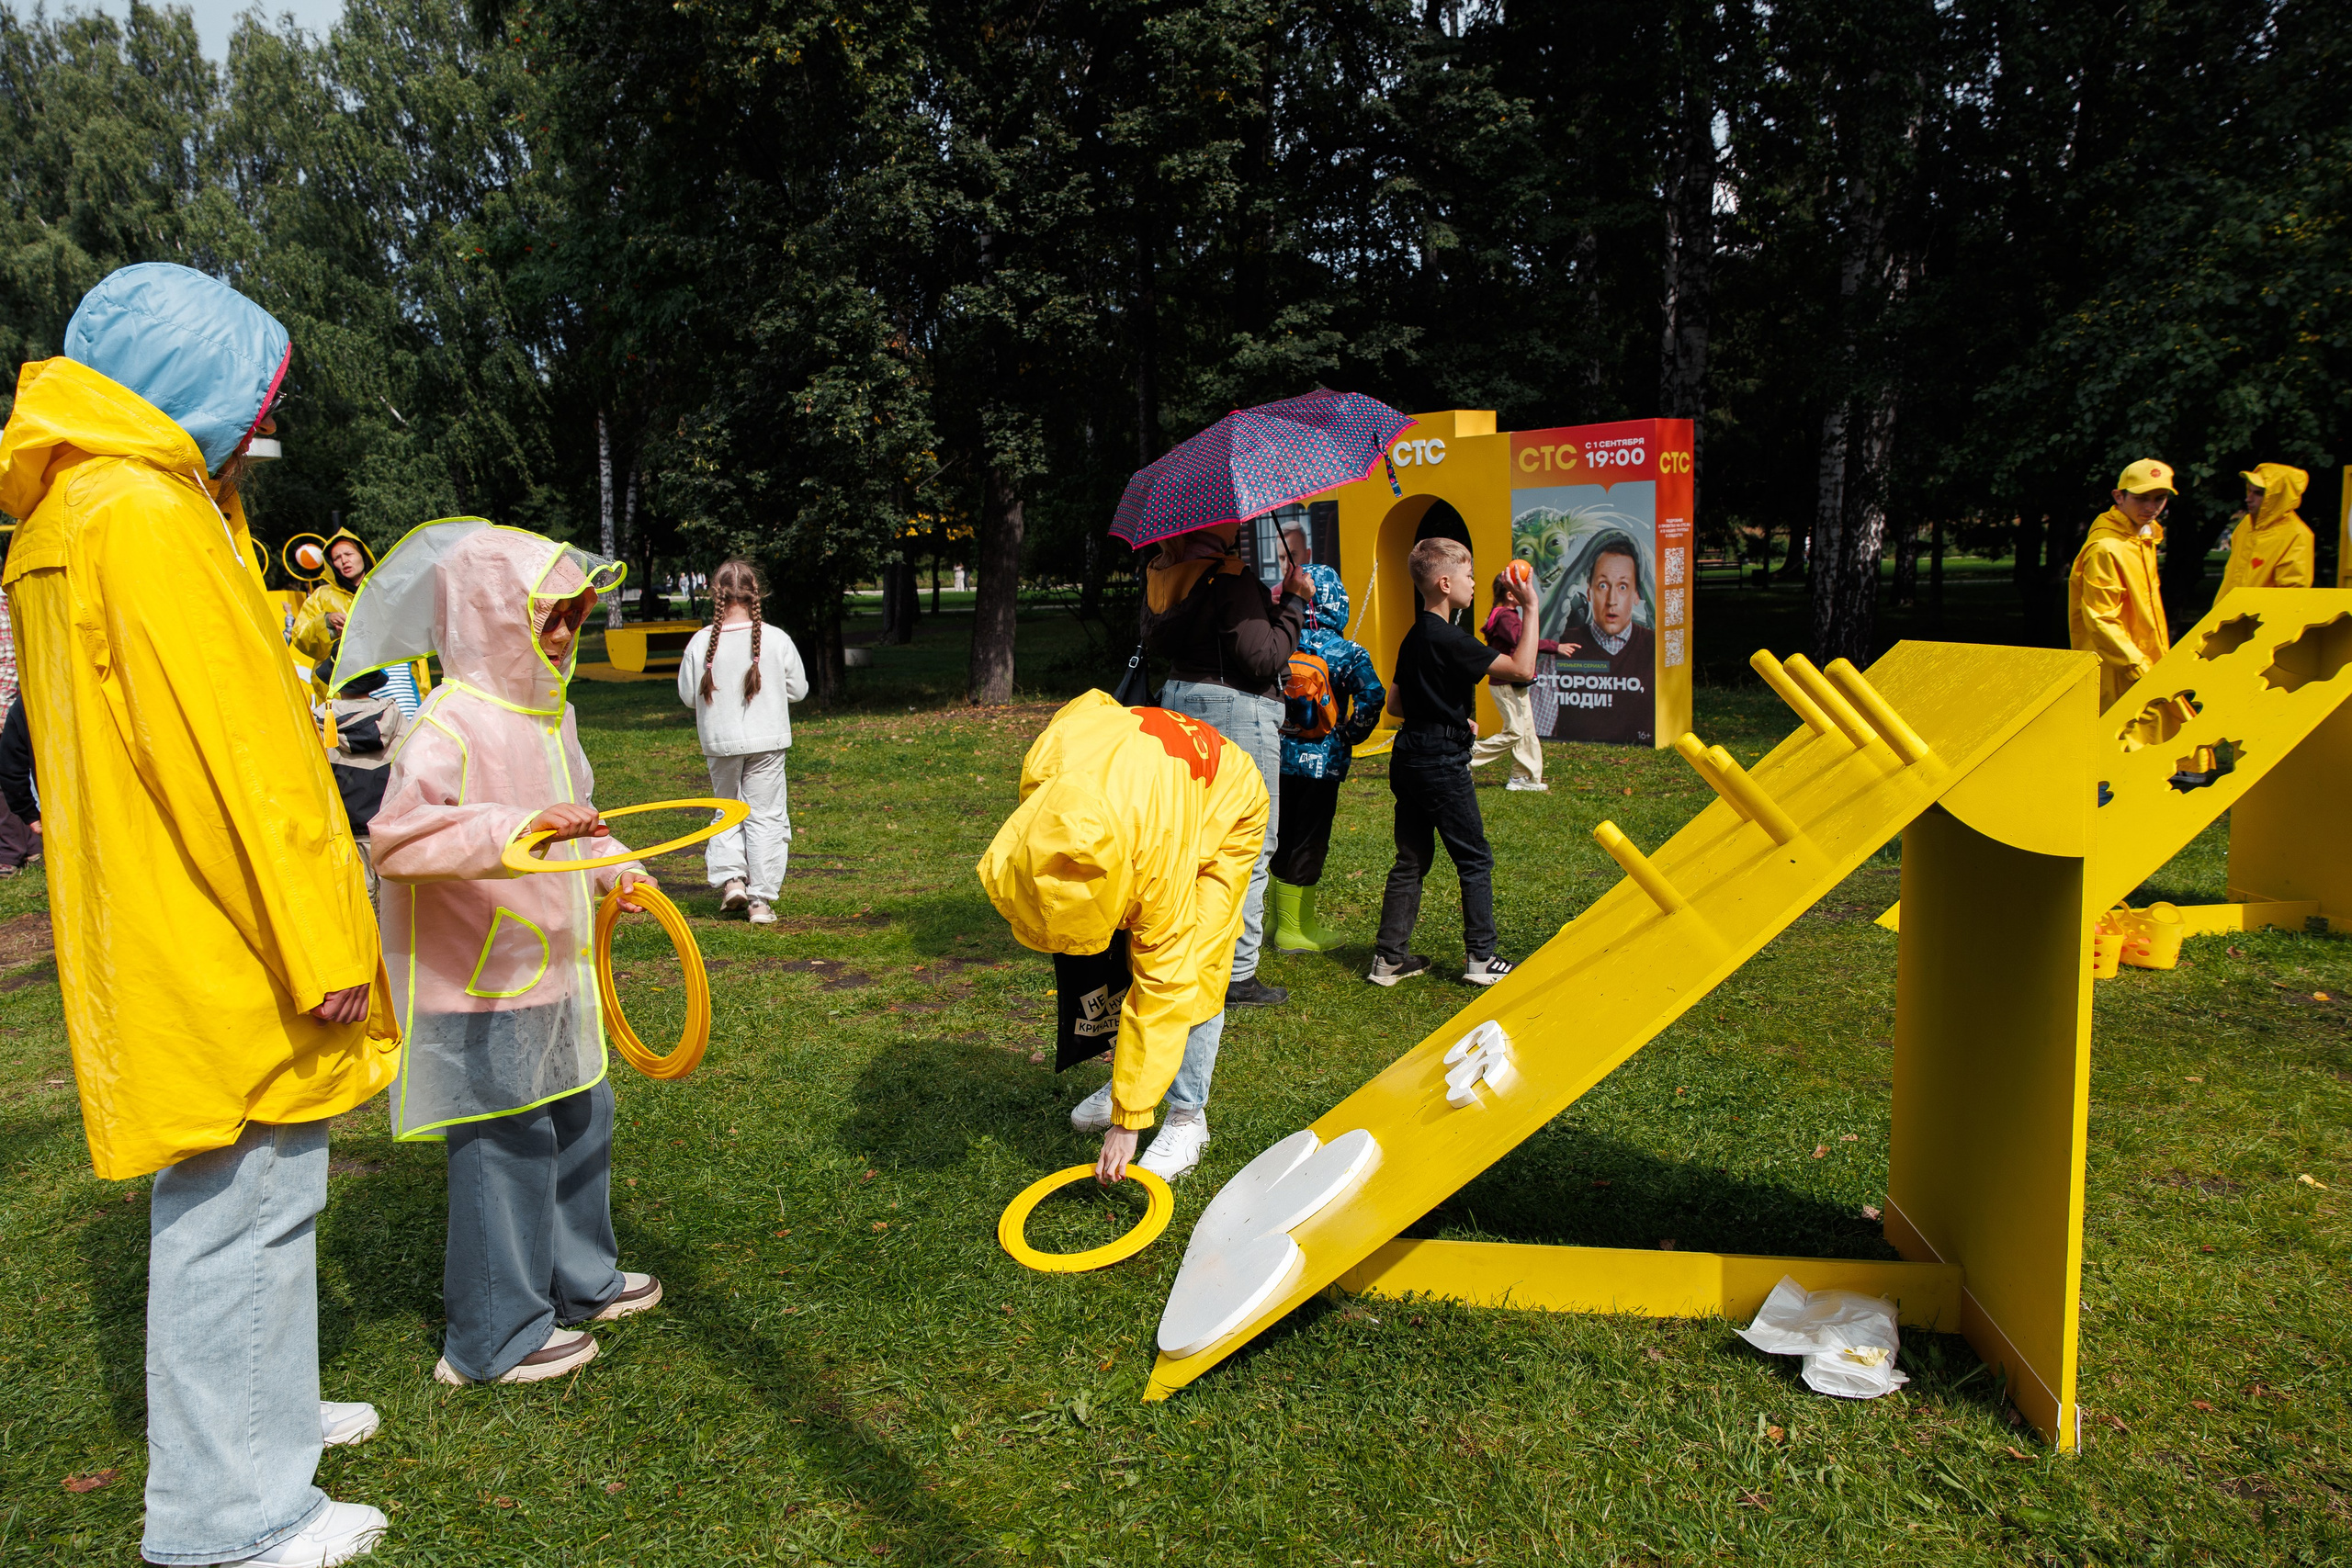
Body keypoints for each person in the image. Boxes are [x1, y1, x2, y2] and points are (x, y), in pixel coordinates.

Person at [0, 262, 397, 1566]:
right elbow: (228, 755)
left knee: (257, 1196)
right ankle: (232, 1516)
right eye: (253, 400)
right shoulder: (143, 515)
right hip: (230, 923)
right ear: (191, 384)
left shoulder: (76, 507)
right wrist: (323, 937)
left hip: (168, 914)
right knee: (241, 1204)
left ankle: (265, 1416)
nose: (256, 430)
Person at [365, 524, 664, 1388]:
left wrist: (620, 871)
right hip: (480, 981)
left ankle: (578, 1278)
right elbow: (398, 839)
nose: (564, 635)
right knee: (505, 1140)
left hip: (553, 968)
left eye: (573, 616)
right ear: (490, 615)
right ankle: (493, 1334)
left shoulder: (551, 716)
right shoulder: (449, 722)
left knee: (581, 1114)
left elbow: (583, 819)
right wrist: (514, 827)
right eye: (547, 618)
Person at [978, 691, 1267, 1182]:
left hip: (1226, 802)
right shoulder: (1045, 771)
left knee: (1197, 965)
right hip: (1155, 781)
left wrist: (1128, 1122)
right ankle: (1130, 1080)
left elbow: (1166, 986)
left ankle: (1186, 1115)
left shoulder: (1157, 866)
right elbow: (1092, 705)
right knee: (1125, 955)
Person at [1143, 519, 1311, 1008]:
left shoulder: (1163, 571)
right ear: (1218, 522)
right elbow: (1262, 658)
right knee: (1248, 841)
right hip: (1236, 713)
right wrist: (1294, 603)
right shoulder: (1230, 575)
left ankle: (1182, 956)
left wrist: (1267, 606)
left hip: (1179, 703)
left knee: (1192, 841)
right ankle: (1237, 973)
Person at [1369, 536, 1540, 988]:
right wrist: (1531, 607)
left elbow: (1397, 705)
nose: (1474, 582)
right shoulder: (1450, 637)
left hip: (1409, 756)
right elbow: (1522, 670)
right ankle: (1481, 958)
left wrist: (1452, 717)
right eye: (1468, 575)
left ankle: (1388, 959)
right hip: (1439, 763)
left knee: (1411, 859)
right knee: (1474, 859)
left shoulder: (1414, 636)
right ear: (1445, 583)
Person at [676, 558, 808, 926]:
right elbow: (798, 690)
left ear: (715, 594)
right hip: (768, 739)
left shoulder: (701, 642)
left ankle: (733, 879)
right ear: (756, 593)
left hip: (720, 742)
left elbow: (688, 696)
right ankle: (760, 900)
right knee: (766, 816)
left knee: (727, 809)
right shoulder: (776, 638)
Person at [1269, 563, 1383, 953]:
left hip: (1277, 757)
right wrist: (1351, 733)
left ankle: (1275, 921)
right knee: (1310, 839)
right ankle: (1296, 930)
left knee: (1281, 834)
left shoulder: (1282, 641)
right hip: (1322, 763)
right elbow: (1373, 695)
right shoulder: (1347, 652)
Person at [2068, 458, 2177, 714]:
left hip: (2144, 662)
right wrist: (2138, 667)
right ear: (2119, 496)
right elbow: (2101, 618)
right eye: (2142, 498)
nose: (2151, 507)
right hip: (2120, 669)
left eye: (2160, 498)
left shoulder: (2143, 538)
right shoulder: (2106, 548)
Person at [1469, 565, 1566, 791]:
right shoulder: (1504, 617)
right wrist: (1555, 646)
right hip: (1504, 683)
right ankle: (1467, 756)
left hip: (1514, 683)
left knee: (1527, 731)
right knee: (1516, 731)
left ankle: (1523, 777)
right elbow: (1521, 640)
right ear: (1511, 595)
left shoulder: (1506, 615)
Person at [1550, 536, 1654, 745]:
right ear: (1589, 592)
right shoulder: (1560, 644)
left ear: (1636, 595)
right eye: (1603, 585)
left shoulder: (1654, 647)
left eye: (1623, 587)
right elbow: (1540, 726)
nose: (1612, 600)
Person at [2217, 463, 2314, 596]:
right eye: (2249, 490)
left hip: (2257, 610)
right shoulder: (2247, 524)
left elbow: (2292, 593)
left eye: (2258, 493)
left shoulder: (2297, 535)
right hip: (2229, 608)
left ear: (2279, 497)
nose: (2248, 499)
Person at [289, 529, 374, 662]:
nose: (344, 560)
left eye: (349, 554)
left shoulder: (384, 589)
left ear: (363, 555)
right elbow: (299, 637)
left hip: (391, 672)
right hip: (338, 672)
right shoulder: (321, 595)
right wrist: (326, 622)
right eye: (336, 558)